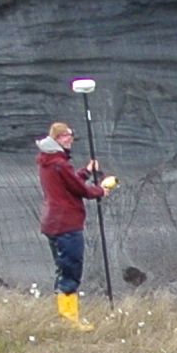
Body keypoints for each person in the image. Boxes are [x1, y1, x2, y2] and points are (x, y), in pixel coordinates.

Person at [34, 120, 116, 321]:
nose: (71, 140)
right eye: (68, 137)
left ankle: (63, 315)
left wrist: (86, 171)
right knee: (71, 269)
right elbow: (80, 190)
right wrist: (101, 191)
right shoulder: (60, 163)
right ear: (59, 138)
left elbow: (70, 182)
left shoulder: (48, 161)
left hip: (53, 223)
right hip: (66, 225)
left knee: (62, 268)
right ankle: (69, 318)